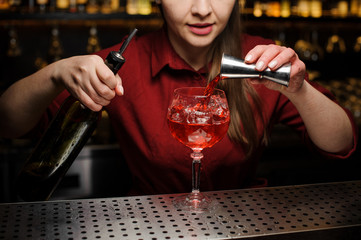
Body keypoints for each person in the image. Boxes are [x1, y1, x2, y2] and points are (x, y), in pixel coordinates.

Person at [0, 0, 357, 196]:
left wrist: (299, 90)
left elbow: (342, 145)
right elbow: (10, 124)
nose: (202, 9)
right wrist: (53, 73)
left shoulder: (261, 59)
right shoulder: (128, 62)